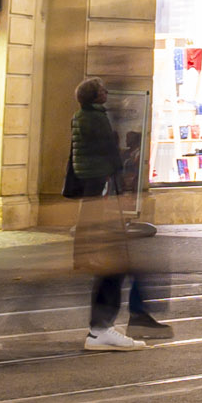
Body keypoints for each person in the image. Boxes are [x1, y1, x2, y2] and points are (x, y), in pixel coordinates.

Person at [69, 78, 171, 346]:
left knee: (116, 261)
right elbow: (108, 149)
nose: (106, 93)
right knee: (112, 261)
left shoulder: (85, 115)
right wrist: (120, 170)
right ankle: (103, 329)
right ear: (94, 95)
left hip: (95, 185)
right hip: (102, 184)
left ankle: (111, 325)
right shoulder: (95, 117)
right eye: (102, 90)